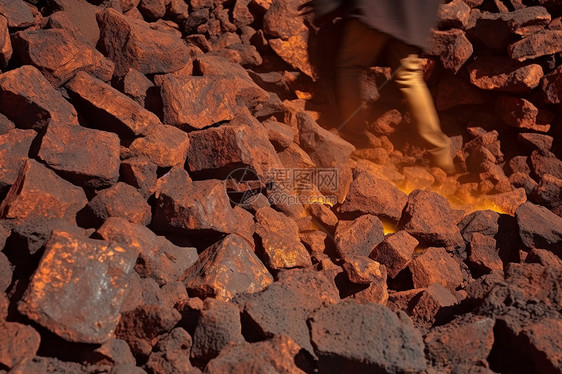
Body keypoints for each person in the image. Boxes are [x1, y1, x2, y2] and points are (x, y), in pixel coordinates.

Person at [333, 0, 456, 175]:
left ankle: (354, 134)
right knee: (409, 77)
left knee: (351, 66)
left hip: (377, 9)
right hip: (413, 20)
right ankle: (441, 152)